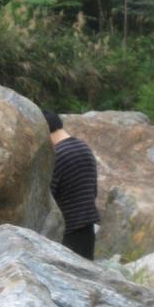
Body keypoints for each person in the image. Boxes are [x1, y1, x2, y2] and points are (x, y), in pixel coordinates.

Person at [43, 110, 100, 260]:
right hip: (87, 226)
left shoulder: (57, 155)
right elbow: (93, 190)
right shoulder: (84, 147)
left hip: (66, 232)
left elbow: (46, 198)